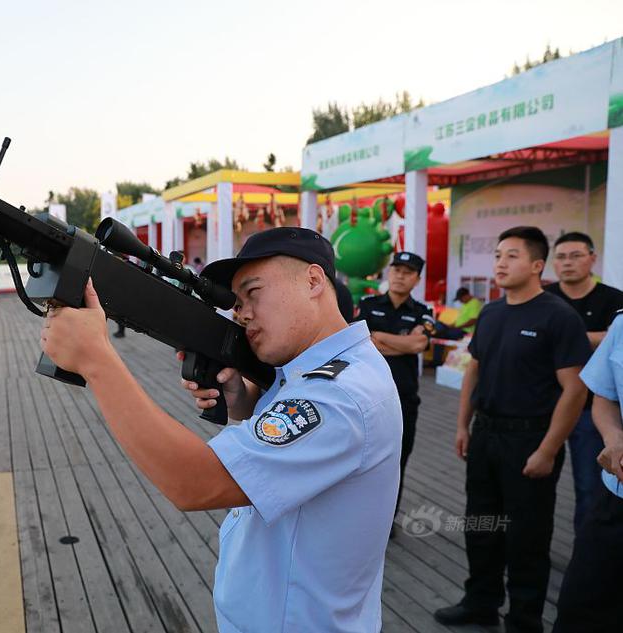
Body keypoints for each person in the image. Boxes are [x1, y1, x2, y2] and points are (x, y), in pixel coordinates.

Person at [42, 227, 402, 632]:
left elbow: (194, 483)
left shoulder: (341, 396)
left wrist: (97, 360)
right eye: (237, 301)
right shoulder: (314, 371)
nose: (241, 312)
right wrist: (248, 406)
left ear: (314, 281)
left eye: (253, 292)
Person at [434, 226, 590, 633]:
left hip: (530, 439)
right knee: (481, 525)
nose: (501, 263)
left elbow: (573, 389)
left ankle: (524, 619)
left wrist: (548, 450)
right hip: (485, 435)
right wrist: (462, 425)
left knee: (527, 536)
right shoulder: (491, 312)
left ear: (538, 265)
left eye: (512, 256)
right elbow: (475, 370)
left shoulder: (558, 317)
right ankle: (480, 602)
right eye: (498, 254)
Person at [544, 231, 623, 531]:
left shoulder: (614, 300)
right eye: (561, 257)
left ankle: (585, 550)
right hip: (547, 406)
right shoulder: (546, 298)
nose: (567, 263)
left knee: (590, 488)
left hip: (595, 411)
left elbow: (614, 342)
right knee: (536, 482)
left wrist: (566, 338)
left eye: (576, 255)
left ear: (592, 258)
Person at [553, 309, 623, 632]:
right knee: (579, 608)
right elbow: (604, 398)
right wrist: (614, 437)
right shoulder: (622, 324)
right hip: (614, 500)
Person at [357, 251, 435, 532]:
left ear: (417, 278)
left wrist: (381, 339)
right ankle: (361, 521)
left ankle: (385, 523)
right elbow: (365, 340)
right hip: (365, 395)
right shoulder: (367, 304)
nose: (400, 275)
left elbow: (418, 346)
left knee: (397, 461)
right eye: (396, 269)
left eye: (408, 271)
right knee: (361, 459)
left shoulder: (423, 312)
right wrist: (402, 341)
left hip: (404, 398)